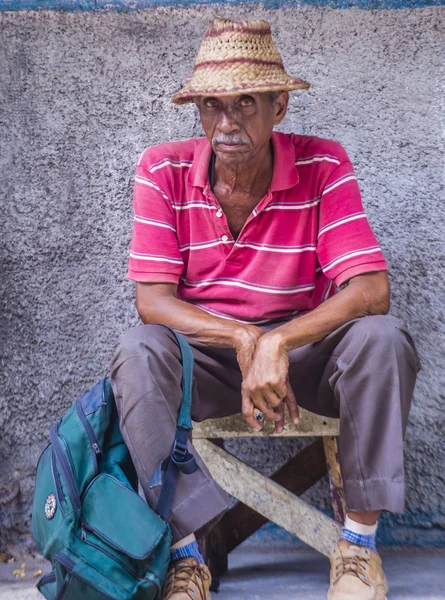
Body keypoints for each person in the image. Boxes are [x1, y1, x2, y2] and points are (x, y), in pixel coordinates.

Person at [110, 18, 420, 600]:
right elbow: (151, 301)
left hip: (302, 362)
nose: (226, 123)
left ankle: (357, 550)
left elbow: (370, 288)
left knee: (383, 337)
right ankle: (188, 556)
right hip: (209, 365)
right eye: (212, 105)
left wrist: (276, 341)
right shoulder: (162, 169)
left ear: (280, 107)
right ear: (198, 110)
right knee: (137, 351)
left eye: (245, 103)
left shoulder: (323, 165)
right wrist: (244, 339)